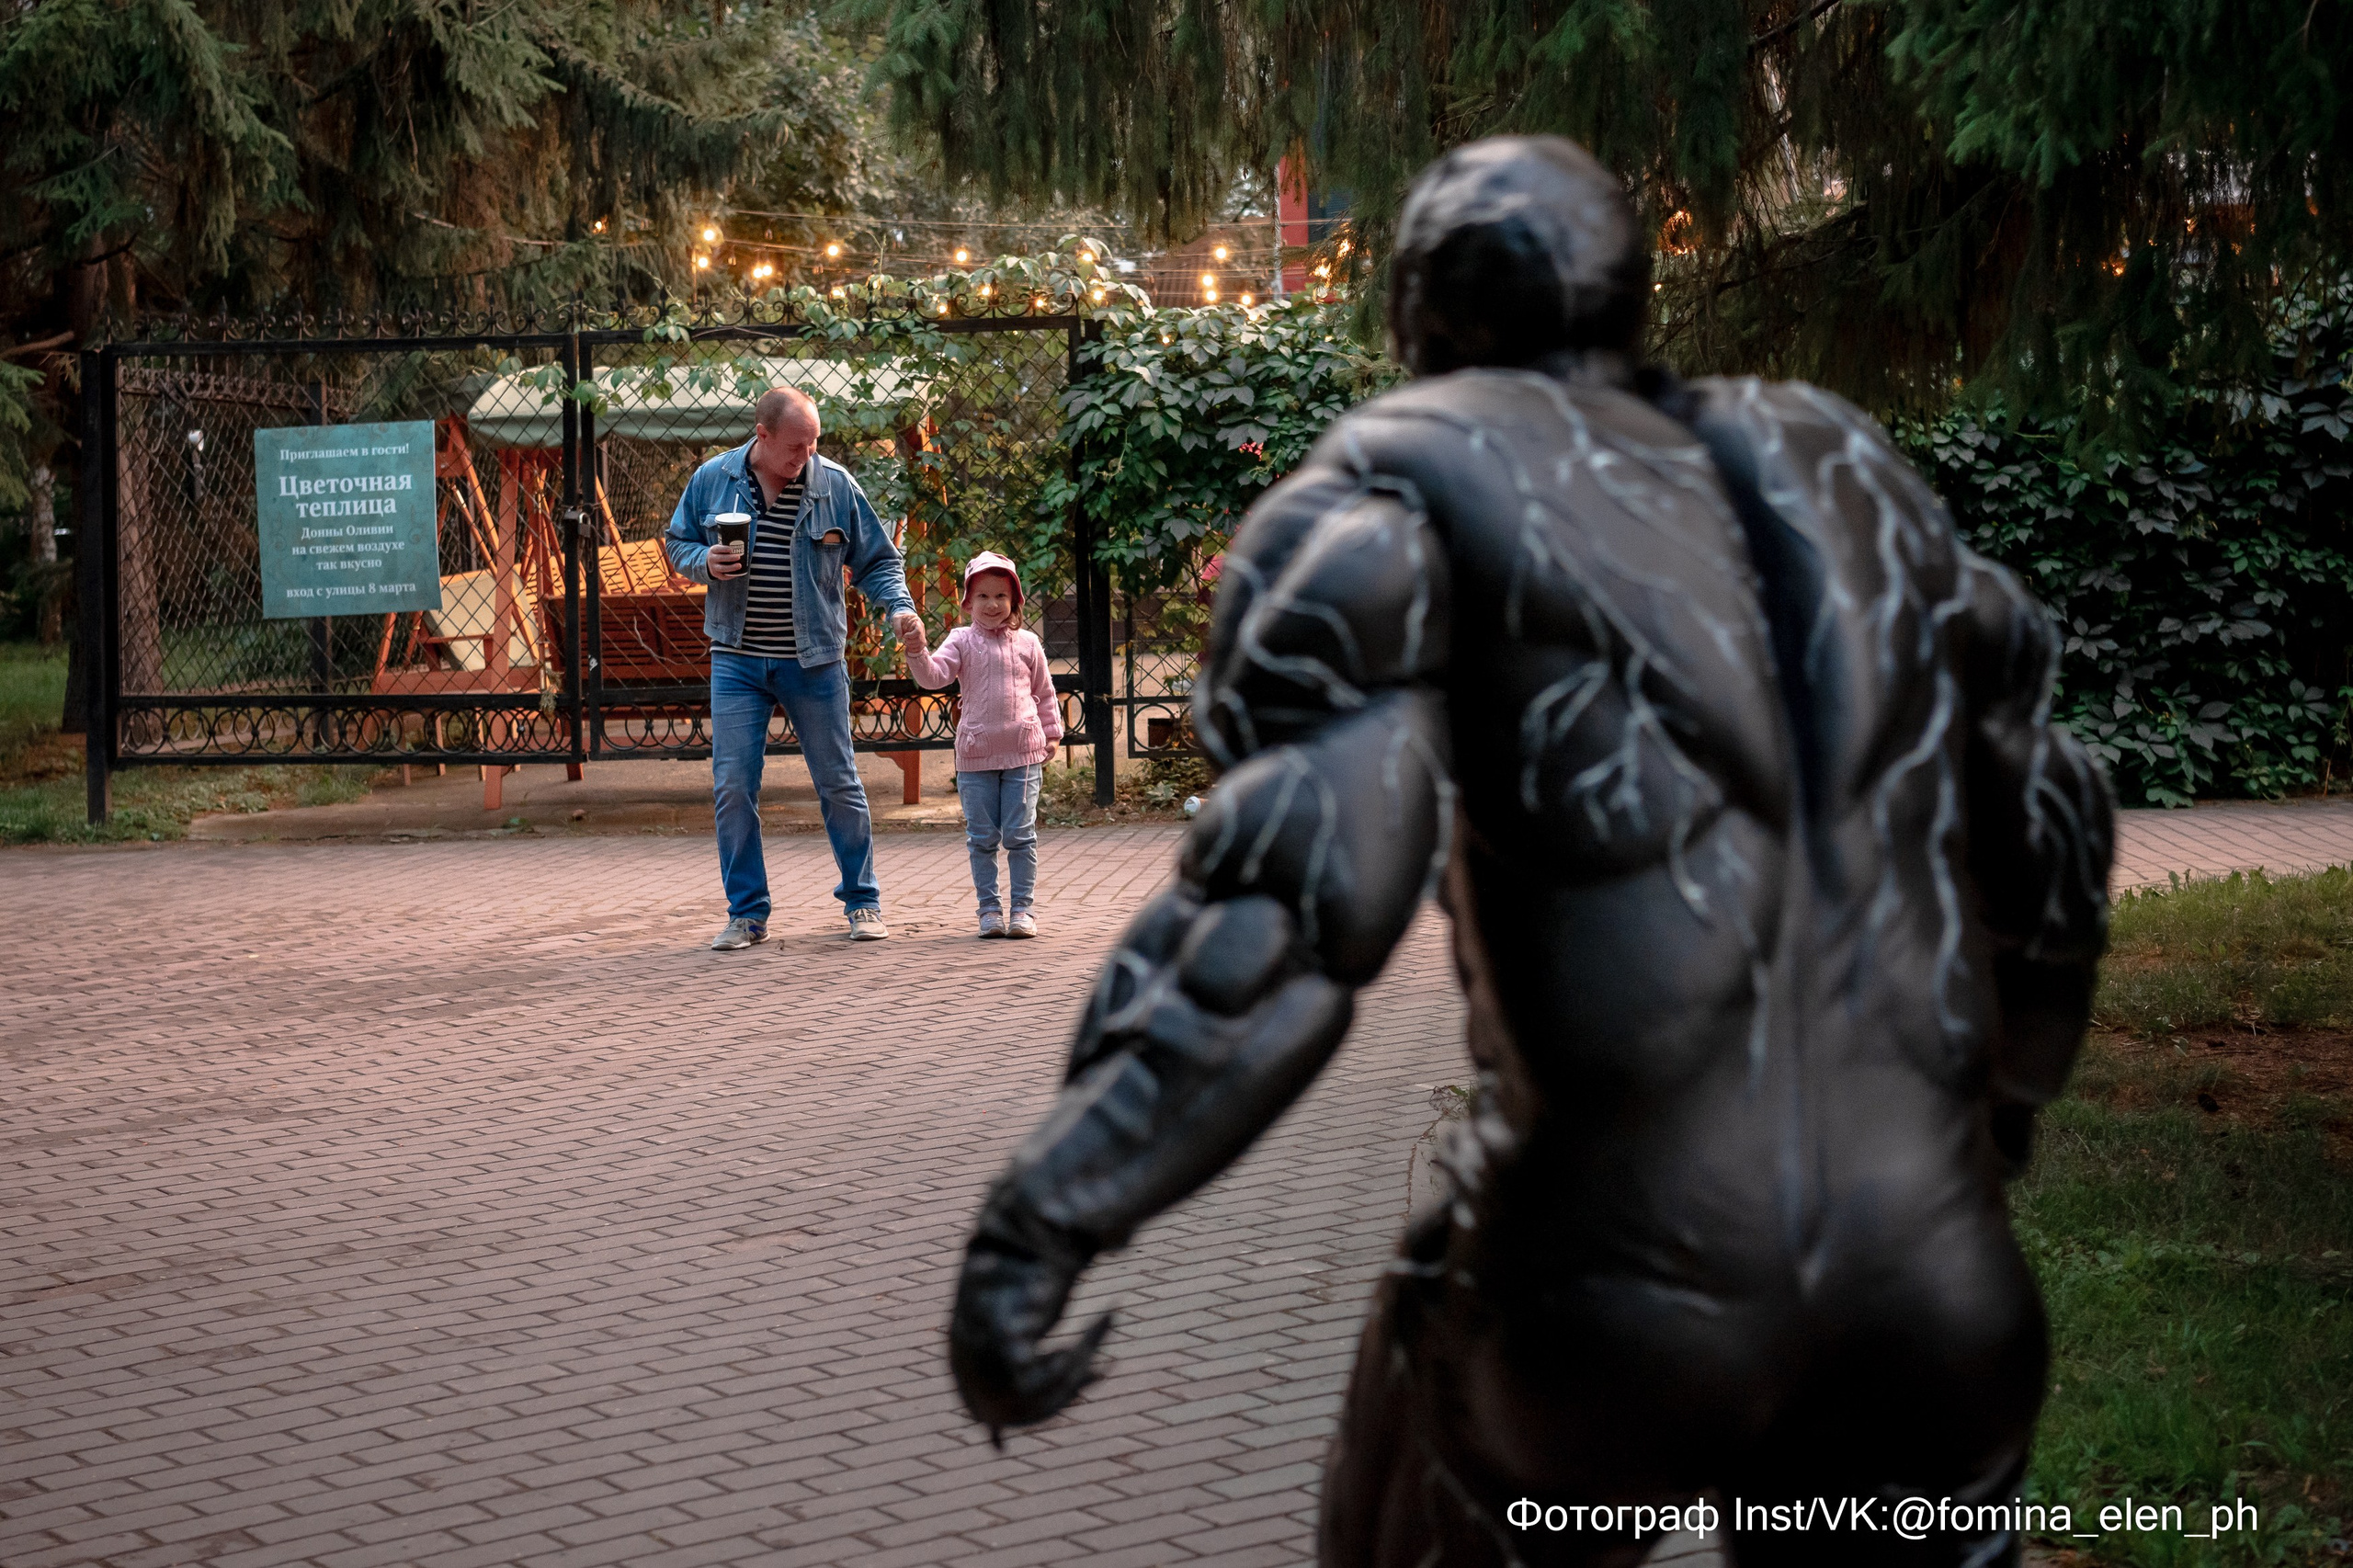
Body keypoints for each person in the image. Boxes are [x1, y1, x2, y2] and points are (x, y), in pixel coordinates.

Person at [944, 136, 2114, 1568]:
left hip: (1606, 1286)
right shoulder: (1851, 471)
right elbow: (2050, 828)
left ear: (1415, 311)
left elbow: (1286, 912)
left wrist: (1047, 1213)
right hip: (1934, 1286)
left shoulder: (1393, 489)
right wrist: (1995, 1117)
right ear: (1630, 297)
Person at [665, 385, 917, 949]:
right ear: (762, 435)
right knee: (733, 785)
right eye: (797, 446)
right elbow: (676, 543)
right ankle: (746, 914)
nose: (807, 456)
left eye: (814, 444)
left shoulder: (834, 486)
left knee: (838, 782)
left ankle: (863, 902)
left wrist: (899, 608)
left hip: (815, 660)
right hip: (737, 657)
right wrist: (703, 560)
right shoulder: (714, 479)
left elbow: (878, 560)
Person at [893, 552, 1063, 937]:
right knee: (982, 838)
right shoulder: (961, 640)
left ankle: (1022, 909)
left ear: (1015, 601)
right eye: (982, 596)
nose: (992, 605)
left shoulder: (1028, 643)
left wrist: (1052, 733)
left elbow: (1044, 693)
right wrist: (917, 650)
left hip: (1022, 755)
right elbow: (934, 678)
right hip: (975, 756)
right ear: (967, 602)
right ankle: (989, 910)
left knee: (1021, 835)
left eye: (1001, 596)